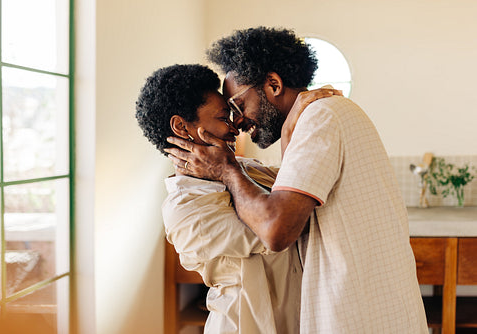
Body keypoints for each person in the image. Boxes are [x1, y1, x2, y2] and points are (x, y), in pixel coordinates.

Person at [165, 27, 429, 333]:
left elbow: (276, 228)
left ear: (273, 85)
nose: (237, 123)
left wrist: (227, 170)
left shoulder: (320, 118)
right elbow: (289, 193)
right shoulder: (327, 114)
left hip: (355, 312)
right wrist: (288, 134)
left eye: (236, 107)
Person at [135, 64, 339, 333]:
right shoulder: (184, 209)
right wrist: (229, 168)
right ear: (181, 127)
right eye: (223, 118)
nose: (235, 128)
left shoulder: (244, 168)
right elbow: (284, 226)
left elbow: (302, 189)